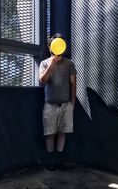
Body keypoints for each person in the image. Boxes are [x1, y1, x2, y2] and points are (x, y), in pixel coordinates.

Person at [39, 33, 77, 170]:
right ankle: (51, 161)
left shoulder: (69, 63)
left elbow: (73, 83)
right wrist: (51, 65)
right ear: (50, 47)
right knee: (49, 134)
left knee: (62, 133)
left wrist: (72, 103)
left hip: (66, 105)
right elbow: (42, 82)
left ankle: (59, 160)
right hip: (50, 105)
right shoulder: (44, 63)